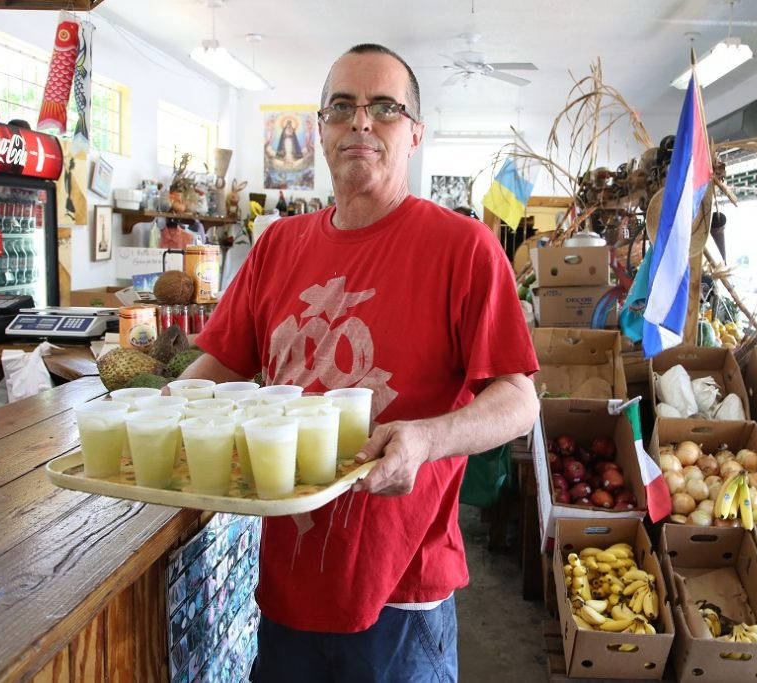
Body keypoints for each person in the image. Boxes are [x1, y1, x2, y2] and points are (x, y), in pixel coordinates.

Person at [179, 43, 539, 681]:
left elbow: (519, 399)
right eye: (341, 107)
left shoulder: (464, 248)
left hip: (402, 592)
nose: (361, 122)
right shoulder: (277, 247)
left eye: (385, 108)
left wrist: (428, 439)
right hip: (287, 584)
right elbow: (216, 368)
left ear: (415, 133)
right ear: (320, 128)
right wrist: (147, 419)